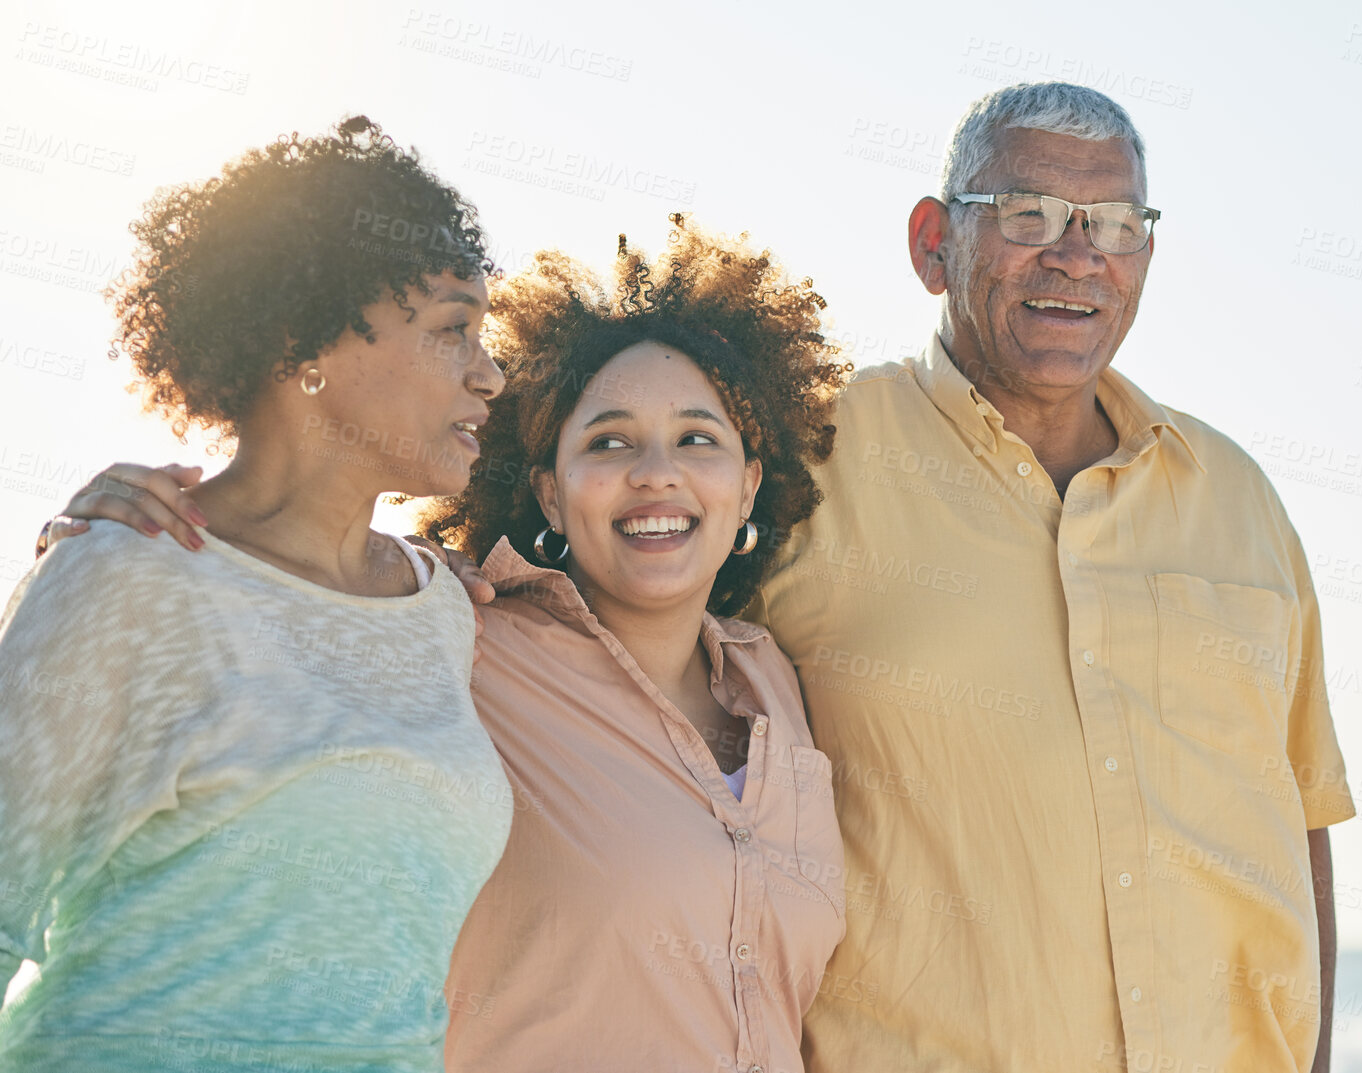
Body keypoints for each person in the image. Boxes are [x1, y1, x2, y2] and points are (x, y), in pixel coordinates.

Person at [58, 82, 1357, 1073]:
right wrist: (185, 519)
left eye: (1113, 223)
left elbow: (1294, 817)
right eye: (1026, 216)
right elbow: (353, 582)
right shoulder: (803, 468)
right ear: (932, 241)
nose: (1074, 253)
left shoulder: (1234, 499)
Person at [44, 217, 853, 1073]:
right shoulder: (451, 627)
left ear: (749, 483)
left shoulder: (777, 677)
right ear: (548, 491)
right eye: (608, 442)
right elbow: (272, 590)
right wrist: (116, 535)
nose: (657, 471)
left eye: (698, 438)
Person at [0, 117, 513, 1071]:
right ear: (301, 344)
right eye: (453, 330)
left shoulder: (445, 610)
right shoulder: (126, 570)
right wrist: (60, 571)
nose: (489, 372)